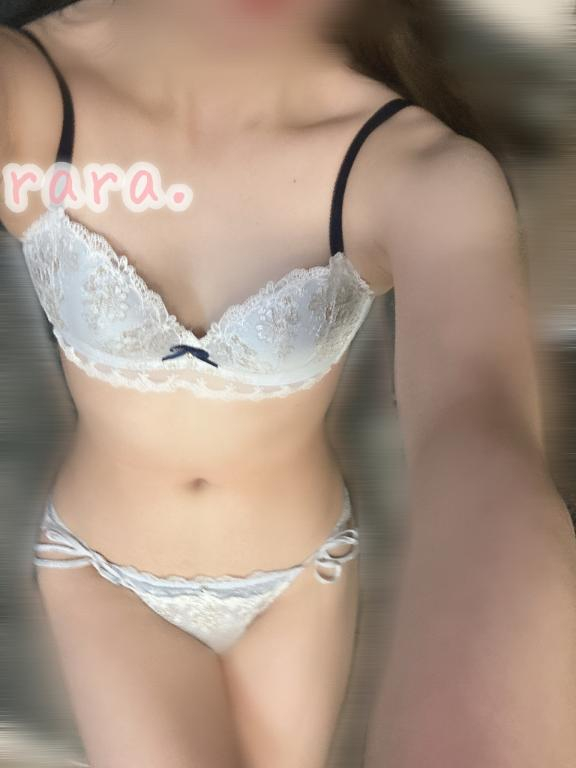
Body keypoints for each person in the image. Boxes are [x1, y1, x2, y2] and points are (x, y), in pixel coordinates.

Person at [1, 1, 575, 767]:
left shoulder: (416, 168)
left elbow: (480, 428)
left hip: (300, 584)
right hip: (107, 579)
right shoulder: (30, 90)